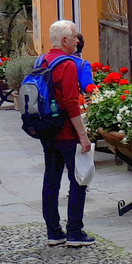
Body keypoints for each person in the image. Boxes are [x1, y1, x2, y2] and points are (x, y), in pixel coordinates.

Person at [36, 20, 93, 247]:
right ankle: (75, 232)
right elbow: (71, 102)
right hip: (67, 132)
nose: (78, 40)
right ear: (64, 41)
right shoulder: (68, 64)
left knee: (51, 179)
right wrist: (83, 135)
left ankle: (54, 231)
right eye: (74, 37)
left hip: (48, 131)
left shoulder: (42, 60)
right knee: (78, 180)